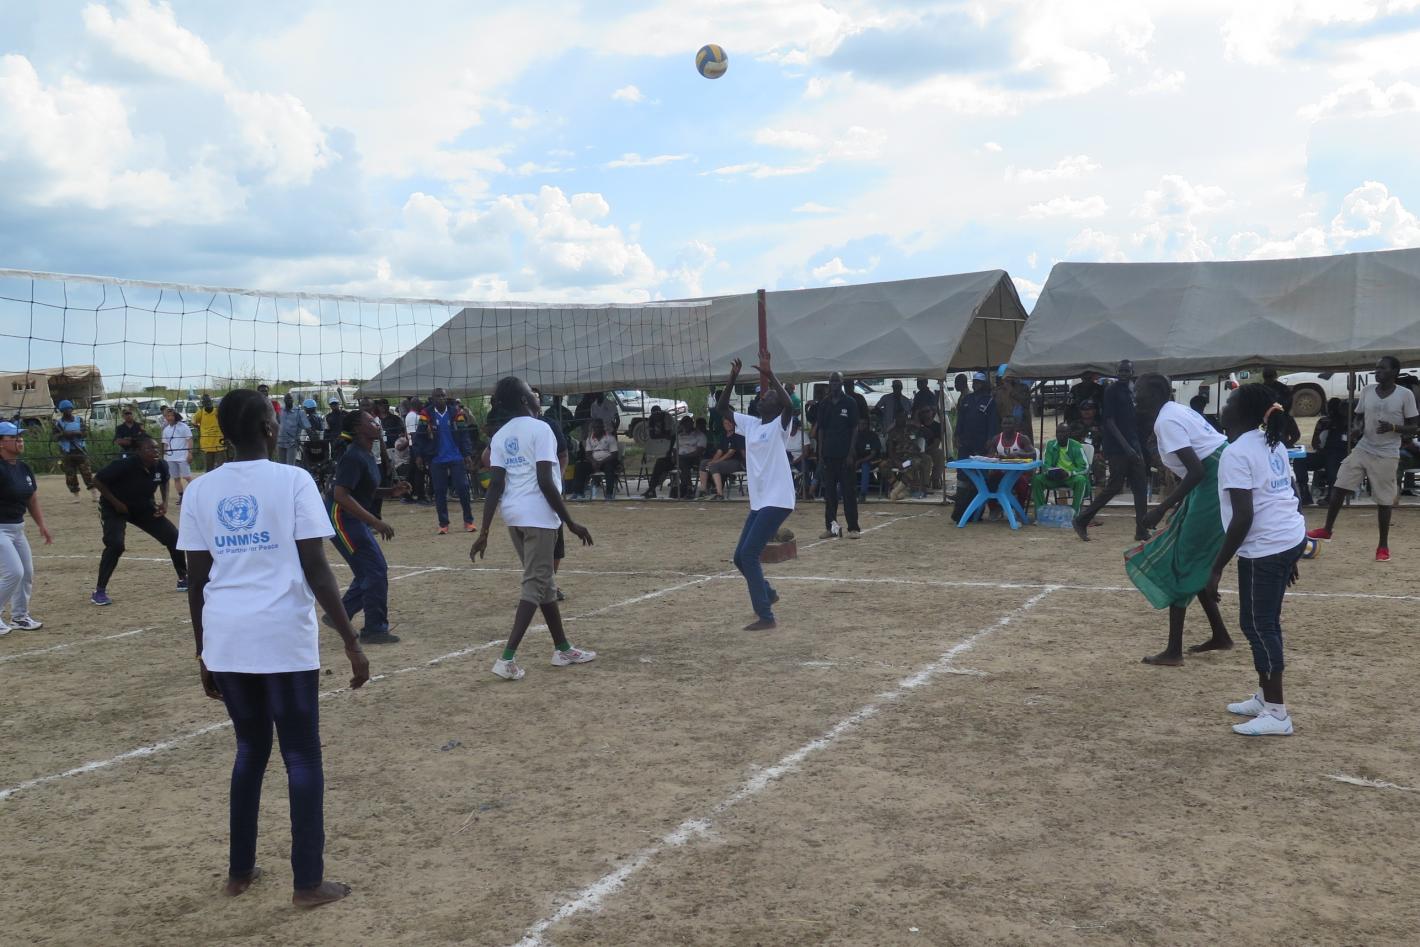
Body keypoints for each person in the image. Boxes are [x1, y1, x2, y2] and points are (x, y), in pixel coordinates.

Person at [177, 387, 369, 908]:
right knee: (301, 755)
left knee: (250, 750)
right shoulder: (293, 480)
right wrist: (351, 641)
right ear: (268, 427)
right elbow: (317, 568)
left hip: (227, 637)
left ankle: (239, 873)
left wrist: (204, 652)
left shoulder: (199, 490)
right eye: (273, 417)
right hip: (282, 637)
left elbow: (197, 581)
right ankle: (308, 883)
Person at [470, 377, 596, 680]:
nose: (538, 397)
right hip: (538, 516)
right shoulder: (542, 429)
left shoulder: (501, 435)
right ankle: (507, 659)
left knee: (545, 584)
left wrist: (485, 531)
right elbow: (544, 480)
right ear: (525, 400)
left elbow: (495, 485)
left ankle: (562, 649)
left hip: (514, 516)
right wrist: (570, 522)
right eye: (532, 393)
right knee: (534, 585)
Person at [1204, 384, 1307, 737]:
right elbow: (1290, 492)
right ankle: (1264, 698)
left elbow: (1243, 516)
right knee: (1256, 622)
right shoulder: (1270, 441)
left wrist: (1216, 568)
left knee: (1260, 626)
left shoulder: (1236, 452)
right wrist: (1290, 552)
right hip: (1285, 539)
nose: (1224, 407)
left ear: (1243, 412)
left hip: (1266, 547)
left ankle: (1277, 714)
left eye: (1230, 402)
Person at [1123, 373, 1233, 666]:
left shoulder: (1166, 420)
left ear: (1155, 393)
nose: (1135, 396)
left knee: (1184, 559)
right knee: (1193, 557)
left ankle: (1174, 651)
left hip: (1213, 482)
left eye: (1139, 391)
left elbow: (1197, 470)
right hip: (1215, 478)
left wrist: (1161, 508)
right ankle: (1220, 635)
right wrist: (1182, 502)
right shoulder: (1174, 411)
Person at [1307, 356, 1419, 561]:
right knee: (1340, 485)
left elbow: (1414, 426)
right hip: (1364, 448)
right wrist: (1356, 429)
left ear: (1394, 372)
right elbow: (1359, 415)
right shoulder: (1367, 391)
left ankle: (1383, 546)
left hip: (1387, 453)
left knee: (1384, 501)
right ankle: (1327, 530)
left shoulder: (1405, 395)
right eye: (1376, 368)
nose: (1377, 371)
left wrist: (1393, 427)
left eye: (1382, 368)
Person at [716, 356, 796, 630]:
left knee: (750, 554)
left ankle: (766, 616)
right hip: (760, 501)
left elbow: (790, 405)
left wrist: (771, 375)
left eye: (769, 396)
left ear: (776, 405)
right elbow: (722, 408)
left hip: (779, 499)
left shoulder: (780, 426)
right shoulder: (751, 424)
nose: (763, 397)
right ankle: (768, 593)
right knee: (740, 557)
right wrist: (733, 377)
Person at [327, 410, 410, 645]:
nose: (377, 423)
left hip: (352, 517)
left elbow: (362, 490)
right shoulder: (353, 455)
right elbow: (341, 495)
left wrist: (390, 492)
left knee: (372, 570)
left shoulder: (366, 453)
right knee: (374, 570)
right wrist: (376, 521)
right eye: (371, 421)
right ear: (357, 428)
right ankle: (374, 628)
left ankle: (341, 614)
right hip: (340, 518)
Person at [90, 433, 187, 606]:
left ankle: (183, 578)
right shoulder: (123, 465)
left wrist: (164, 502)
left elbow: (164, 481)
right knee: (116, 544)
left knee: (174, 537)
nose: (155, 451)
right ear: (139, 451)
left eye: (156, 448)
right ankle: (99, 591)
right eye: (150, 448)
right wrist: (116, 503)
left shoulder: (161, 465)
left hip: (142, 507)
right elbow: (97, 480)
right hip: (115, 508)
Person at [1073, 360, 1149, 543]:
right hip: (1117, 447)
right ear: (1116, 372)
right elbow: (1109, 421)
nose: (1123, 374)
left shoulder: (1133, 390)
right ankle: (1082, 519)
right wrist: (1126, 447)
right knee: (1114, 486)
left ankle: (1142, 529)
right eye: (1121, 371)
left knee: (1140, 487)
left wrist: (1137, 447)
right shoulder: (1112, 390)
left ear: (1132, 372)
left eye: (1126, 371)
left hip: (1134, 444)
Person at [0, 421, 51, 634]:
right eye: (13, 437)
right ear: (1, 443)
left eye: (20, 437)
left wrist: (41, 525)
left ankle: (20, 617)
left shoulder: (23, 468)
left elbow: (32, 499)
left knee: (27, 573)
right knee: (14, 572)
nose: (20, 440)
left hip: (17, 528)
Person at [414, 388, 476, 535]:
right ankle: (443, 524)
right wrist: (418, 455)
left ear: (446, 397)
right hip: (436, 458)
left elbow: (464, 434)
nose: (441, 398)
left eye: (443, 396)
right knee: (439, 491)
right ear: (432, 399)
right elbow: (419, 435)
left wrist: (467, 454)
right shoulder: (426, 414)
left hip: (456, 456)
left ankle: (468, 521)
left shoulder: (456, 412)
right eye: (438, 396)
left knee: (463, 488)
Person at [815, 372, 861, 538]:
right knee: (830, 496)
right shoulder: (824, 403)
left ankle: (853, 528)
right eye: (831, 381)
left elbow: (854, 428)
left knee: (849, 493)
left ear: (842, 383)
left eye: (837, 381)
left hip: (845, 455)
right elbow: (821, 429)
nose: (834, 384)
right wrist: (820, 453)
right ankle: (832, 528)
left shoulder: (850, 402)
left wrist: (851, 452)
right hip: (828, 455)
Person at [1032, 423, 1091, 515]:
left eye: (1063, 432)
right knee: (1037, 479)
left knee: (1081, 480)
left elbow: (1084, 467)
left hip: (1070, 477)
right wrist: (1050, 472)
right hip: (1054, 477)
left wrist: (1069, 473)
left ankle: (1075, 514)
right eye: (1058, 432)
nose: (1060, 435)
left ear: (1069, 433)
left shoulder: (1076, 446)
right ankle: (1040, 513)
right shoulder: (1050, 444)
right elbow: (1046, 464)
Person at [52, 399, 97, 502]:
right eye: (65, 410)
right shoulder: (58, 424)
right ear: (62, 411)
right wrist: (63, 434)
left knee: (87, 472)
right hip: (66, 452)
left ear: (72, 409)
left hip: (80, 450)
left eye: (69, 409)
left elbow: (85, 433)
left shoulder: (79, 420)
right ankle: (76, 495)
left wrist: (75, 433)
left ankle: (94, 494)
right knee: (70, 474)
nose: (67, 411)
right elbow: (54, 437)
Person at [697, 417, 745, 500]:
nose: (728, 425)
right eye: (726, 423)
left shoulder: (738, 435)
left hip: (736, 462)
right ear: (723, 425)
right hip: (725, 461)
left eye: (730, 423)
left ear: (734, 424)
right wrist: (712, 461)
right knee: (704, 463)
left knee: (714, 466)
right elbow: (719, 451)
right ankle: (703, 490)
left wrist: (715, 462)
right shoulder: (724, 436)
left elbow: (730, 453)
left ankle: (719, 494)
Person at [954, 372, 999, 458]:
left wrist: (990, 438)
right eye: (974, 382)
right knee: (963, 462)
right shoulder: (967, 399)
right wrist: (957, 435)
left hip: (981, 440)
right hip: (966, 439)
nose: (975, 385)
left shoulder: (989, 401)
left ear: (983, 384)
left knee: (980, 462)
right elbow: (960, 419)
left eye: (978, 383)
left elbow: (992, 422)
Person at [573, 419, 621, 499]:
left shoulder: (610, 438)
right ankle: (578, 492)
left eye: (598, 427)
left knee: (610, 468)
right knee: (579, 466)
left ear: (602, 427)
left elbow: (614, 454)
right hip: (594, 462)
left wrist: (601, 462)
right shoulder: (589, 439)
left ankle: (609, 494)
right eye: (594, 427)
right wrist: (593, 462)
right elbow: (588, 454)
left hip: (607, 461)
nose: (596, 429)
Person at [161, 407, 194, 504]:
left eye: (171, 415)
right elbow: (165, 444)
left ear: (175, 416)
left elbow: (189, 440)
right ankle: (181, 496)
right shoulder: (166, 429)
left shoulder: (183, 426)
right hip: (171, 457)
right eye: (167, 416)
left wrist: (190, 453)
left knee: (187, 477)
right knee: (176, 478)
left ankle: (196, 493)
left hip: (182, 456)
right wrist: (165, 457)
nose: (169, 418)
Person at [193, 394, 225, 471]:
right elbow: (193, 422)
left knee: (221, 468)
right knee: (209, 468)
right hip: (206, 446)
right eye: (205, 401)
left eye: (208, 401)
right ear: (202, 403)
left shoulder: (217, 411)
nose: (207, 403)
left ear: (211, 401)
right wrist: (199, 427)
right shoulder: (200, 413)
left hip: (219, 444)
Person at [277, 393, 311, 466]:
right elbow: (277, 423)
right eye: (287, 399)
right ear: (284, 400)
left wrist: (314, 440)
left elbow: (307, 427)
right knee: (281, 466)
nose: (288, 400)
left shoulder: (299, 412)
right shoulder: (280, 411)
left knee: (290, 465)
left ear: (293, 400)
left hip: (292, 443)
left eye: (290, 398)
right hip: (280, 442)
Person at [853, 416, 882, 500]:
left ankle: (863, 493)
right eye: (860, 424)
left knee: (865, 466)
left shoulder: (873, 436)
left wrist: (859, 461)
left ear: (867, 425)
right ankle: (843, 492)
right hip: (859, 459)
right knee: (848, 465)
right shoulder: (855, 436)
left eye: (864, 424)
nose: (862, 426)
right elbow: (853, 450)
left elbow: (873, 454)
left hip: (873, 460)